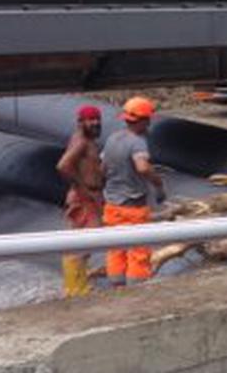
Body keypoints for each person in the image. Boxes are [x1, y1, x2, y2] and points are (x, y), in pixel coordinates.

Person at [101, 96, 166, 286]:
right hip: (133, 207)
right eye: (148, 119)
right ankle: (136, 291)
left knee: (115, 248)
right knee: (138, 251)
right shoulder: (137, 142)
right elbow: (143, 167)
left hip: (112, 205)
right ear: (144, 120)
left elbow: (102, 169)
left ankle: (116, 287)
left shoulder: (113, 139)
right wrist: (159, 185)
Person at [57, 104, 105, 297]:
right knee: (87, 243)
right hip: (85, 198)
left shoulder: (87, 140)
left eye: (97, 119)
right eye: (90, 119)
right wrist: (84, 189)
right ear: (80, 122)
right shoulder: (82, 142)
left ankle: (75, 287)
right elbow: (63, 166)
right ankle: (75, 288)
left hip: (88, 195)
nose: (95, 123)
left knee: (79, 243)